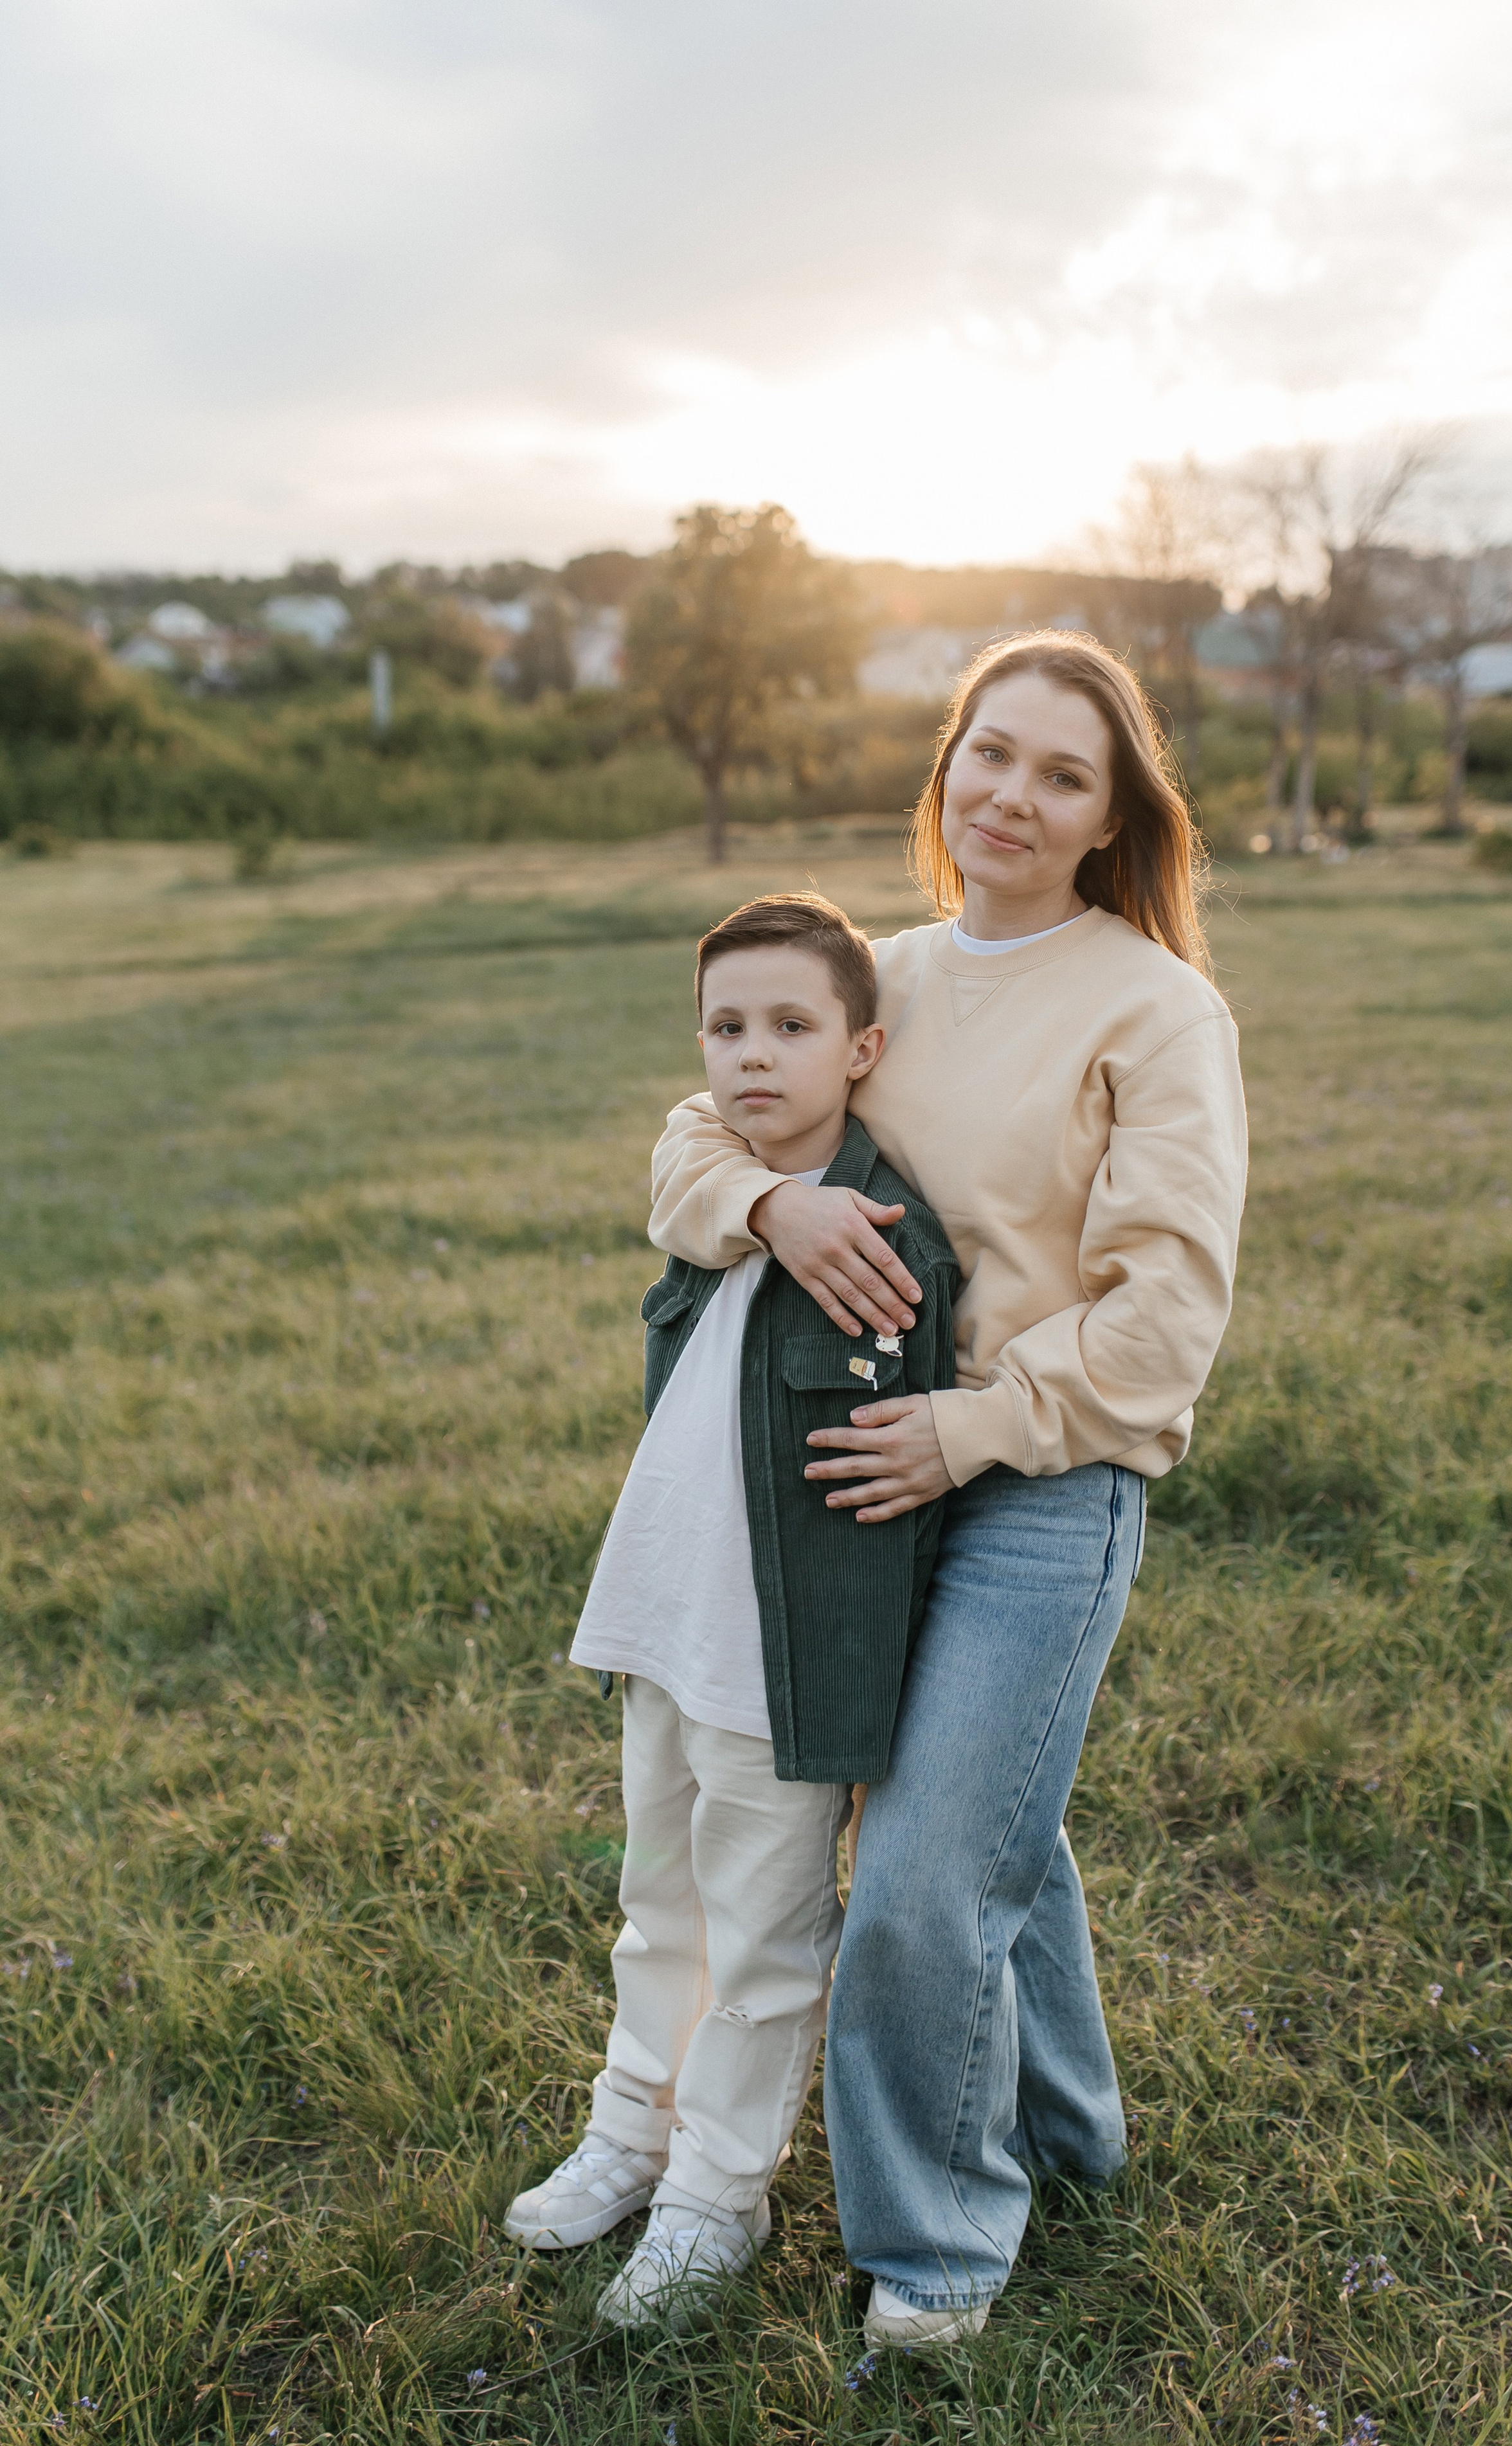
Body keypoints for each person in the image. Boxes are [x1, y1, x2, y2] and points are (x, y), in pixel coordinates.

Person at [649, 633, 1248, 2348]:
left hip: (1039, 1485)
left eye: (1064, 774)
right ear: (949, 766)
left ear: (1110, 814)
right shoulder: (877, 979)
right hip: (860, 1475)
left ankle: (935, 2250)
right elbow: (697, 1132)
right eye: (992, 752)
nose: (1014, 794)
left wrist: (975, 1434)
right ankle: (1074, 2135)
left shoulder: (1156, 1005)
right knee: (992, 1830)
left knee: (919, 1882)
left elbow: (1166, 1320)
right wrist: (776, 1210)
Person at [503, 895, 958, 2328]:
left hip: (786, 1660)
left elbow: (901, 1490)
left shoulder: (889, 1241)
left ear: (860, 1044)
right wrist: (766, 1200)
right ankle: (630, 2137)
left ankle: (717, 2193)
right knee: (657, 1908)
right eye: (724, 1026)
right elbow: (676, 1174)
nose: (749, 1056)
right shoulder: (723, 1187)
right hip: (663, 1626)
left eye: (789, 1026)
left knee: (762, 1940)